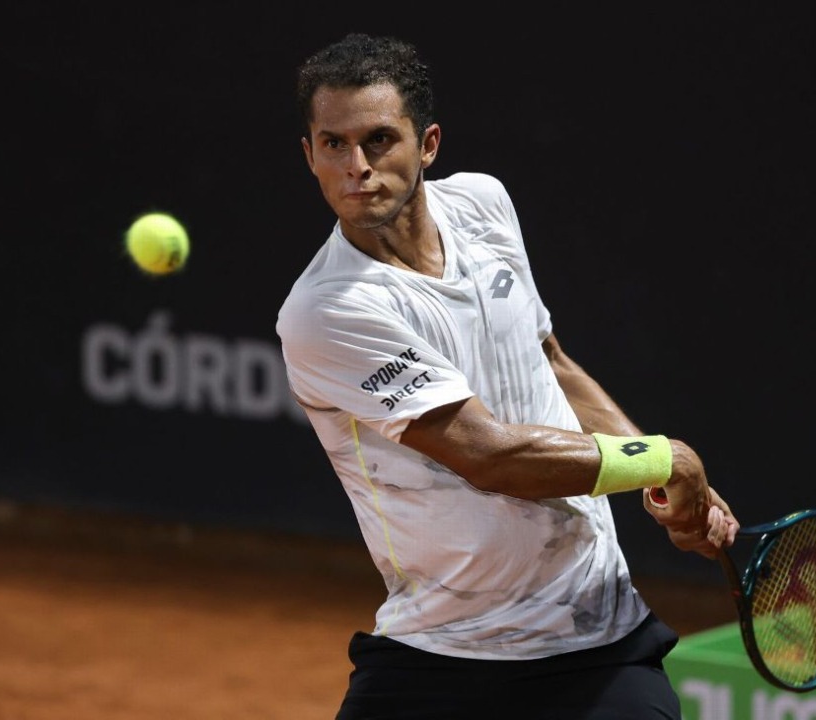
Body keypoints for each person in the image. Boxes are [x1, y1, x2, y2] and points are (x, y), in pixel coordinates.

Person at [277, 32, 740, 720]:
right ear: (310, 154)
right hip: (440, 655)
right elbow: (490, 457)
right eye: (334, 145)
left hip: (595, 636)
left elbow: (550, 362)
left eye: (379, 140)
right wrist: (662, 459)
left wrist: (662, 488)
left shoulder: (485, 206)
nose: (357, 167)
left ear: (427, 145)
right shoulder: (328, 310)